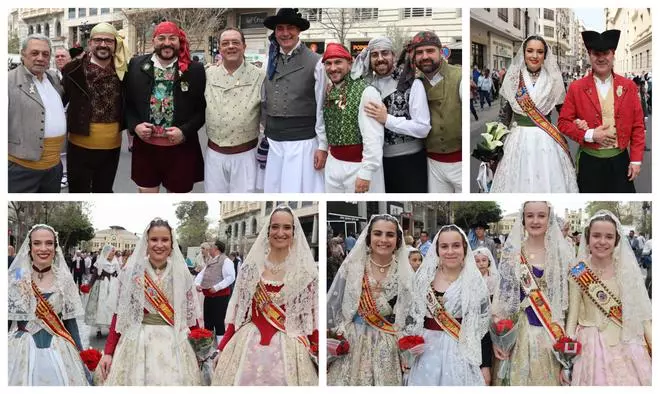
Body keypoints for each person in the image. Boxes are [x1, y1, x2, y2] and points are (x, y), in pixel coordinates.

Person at [211, 206, 318, 385]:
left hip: (291, 349)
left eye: (286, 227)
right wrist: (222, 348)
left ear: (294, 231)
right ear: (267, 231)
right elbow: (238, 314)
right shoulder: (250, 270)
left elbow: (313, 320)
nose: (280, 233)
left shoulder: (305, 273)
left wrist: (318, 355)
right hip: (247, 345)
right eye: (275, 227)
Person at [97, 219, 201, 385]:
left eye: (165, 240)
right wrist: (108, 352)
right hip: (138, 342)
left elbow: (191, 317)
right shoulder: (132, 273)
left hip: (174, 343)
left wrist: (200, 349)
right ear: (146, 242)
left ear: (172, 243)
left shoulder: (182, 274)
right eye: (154, 240)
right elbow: (120, 317)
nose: (159, 245)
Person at [491, 201, 574, 385]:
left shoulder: (563, 254)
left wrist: (567, 354)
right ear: (523, 219)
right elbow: (502, 299)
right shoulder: (512, 253)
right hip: (516, 337)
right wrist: (498, 338)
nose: (535, 221)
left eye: (541, 216)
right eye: (530, 216)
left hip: (550, 336)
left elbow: (570, 303)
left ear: (549, 218)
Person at [327, 214, 414, 385]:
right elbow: (334, 304)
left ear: (398, 239)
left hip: (388, 344)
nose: (383, 239)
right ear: (369, 237)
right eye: (377, 233)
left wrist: (407, 351)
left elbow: (411, 315)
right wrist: (332, 340)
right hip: (353, 341)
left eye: (390, 235)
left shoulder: (404, 272)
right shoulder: (353, 266)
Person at [566, 211, 651, 385]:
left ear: (617, 241)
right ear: (588, 239)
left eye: (609, 237)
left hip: (626, 342)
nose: (602, 242)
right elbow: (572, 316)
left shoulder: (626, 271)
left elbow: (642, 316)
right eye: (596, 235)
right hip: (590, 345)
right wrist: (566, 358)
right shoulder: (578, 271)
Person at [558, 30, 645, 193]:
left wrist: (636, 160)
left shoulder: (629, 86)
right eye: (596, 53)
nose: (601, 58)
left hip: (620, 161)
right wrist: (590, 134)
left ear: (613, 55)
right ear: (590, 56)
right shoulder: (576, 88)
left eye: (606, 53)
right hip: (590, 163)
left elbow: (638, 126)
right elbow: (563, 123)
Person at [125, 21, 205, 193]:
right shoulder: (136, 66)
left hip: (181, 150)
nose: (167, 43)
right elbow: (127, 104)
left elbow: (201, 110)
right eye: (161, 38)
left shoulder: (195, 70)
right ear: (153, 41)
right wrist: (135, 126)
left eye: (172, 38)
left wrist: (184, 131)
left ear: (179, 41)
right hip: (145, 149)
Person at [492, 35, 577, 193]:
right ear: (523, 53)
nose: (534, 56)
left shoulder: (554, 80)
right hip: (517, 141)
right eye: (530, 51)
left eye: (539, 51)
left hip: (547, 141)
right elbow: (504, 117)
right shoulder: (512, 78)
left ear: (545, 55)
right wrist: (492, 146)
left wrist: (580, 124)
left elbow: (565, 115)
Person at [407, 225, 490, 385]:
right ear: (437, 250)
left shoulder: (475, 281)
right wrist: (409, 349)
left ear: (464, 248)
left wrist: (485, 364)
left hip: (462, 355)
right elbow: (412, 316)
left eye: (456, 246)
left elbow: (482, 326)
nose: (450, 251)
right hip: (427, 353)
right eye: (444, 246)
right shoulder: (424, 278)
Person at [8, 224, 89, 385]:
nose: (43, 248)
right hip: (21, 349)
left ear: (55, 247)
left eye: (49, 243)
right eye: (37, 243)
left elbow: (70, 322)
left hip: (59, 348)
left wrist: (82, 356)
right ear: (29, 247)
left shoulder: (64, 280)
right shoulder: (18, 277)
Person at [353, 37, 431, 193]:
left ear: (393, 56)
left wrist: (387, 119)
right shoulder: (365, 85)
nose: (380, 59)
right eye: (375, 55)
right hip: (379, 165)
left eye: (385, 53)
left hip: (409, 163)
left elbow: (423, 128)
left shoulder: (411, 82)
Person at [262, 8, 326, 193]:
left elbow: (322, 107)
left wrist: (323, 146)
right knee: (274, 190)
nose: (285, 33)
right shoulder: (270, 60)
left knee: (298, 190)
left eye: (290, 28)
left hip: (302, 142)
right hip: (274, 142)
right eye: (280, 28)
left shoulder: (316, 62)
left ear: (298, 31)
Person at [62, 23, 128, 193]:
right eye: (98, 40)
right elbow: (61, 100)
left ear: (115, 44)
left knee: (104, 191)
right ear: (90, 43)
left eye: (108, 40)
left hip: (111, 147)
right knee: (78, 192)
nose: (103, 44)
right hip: (78, 146)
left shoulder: (124, 71)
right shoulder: (72, 70)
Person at [204, 27, 265, 193]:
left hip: (246, 154)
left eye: (235, 42)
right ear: (219, 48)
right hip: (214, 153)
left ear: (244, 46)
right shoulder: (208, 74)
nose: (230, 46)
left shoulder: (260, 76)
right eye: (225, 43)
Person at [322, 43, 385, 193]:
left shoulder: (366, 91)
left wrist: (366, 172)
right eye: (328, 63)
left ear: (350, 64)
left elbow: (374, 137)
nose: (332, 68)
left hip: (358, 167)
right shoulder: (330, 90)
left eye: (338, 62)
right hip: (333, 164)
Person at [9, 34, 67, 193]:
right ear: (23, 54)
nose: (40, 58)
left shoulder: (53, 78)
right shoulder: (8, 81)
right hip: (20, 169)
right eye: (34, 53)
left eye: (45, 54)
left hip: (54, 167)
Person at [410, 31, 462, 193]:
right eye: (419, 52)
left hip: (461, 163)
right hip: (433, 164)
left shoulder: (458, 76)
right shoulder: (414, 83)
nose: (425, 56)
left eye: (430, 51)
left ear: (441, 52)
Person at [194, 240, 235, 344]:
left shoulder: (226, 261)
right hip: (208, 296)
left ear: (216, 248)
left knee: (219, 321)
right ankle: (208, 345)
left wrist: (217, 287)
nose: (209, 249)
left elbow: (231, 277)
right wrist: (197, 284)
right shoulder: (210, 261)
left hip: (220, 297)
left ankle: (220, 347)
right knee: (208, 321)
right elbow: (201, 274)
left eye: (211, 247)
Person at [84, 244, 121, 338]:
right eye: (112, 251)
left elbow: (120, 276)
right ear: (107, 252)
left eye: (114, 251)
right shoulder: (100, 262)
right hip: (101, 286)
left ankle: (110, 326)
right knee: (100, 307)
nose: (113, 253)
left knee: (111, 306)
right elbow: (94, 276)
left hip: (112, 286)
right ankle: (98, 329)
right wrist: (88, 286)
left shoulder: (116, 263)